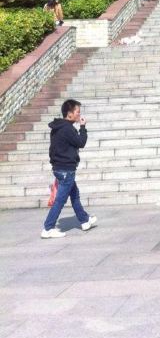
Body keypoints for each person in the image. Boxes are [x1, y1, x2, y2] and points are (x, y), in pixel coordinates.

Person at [41, 99, 96, 239]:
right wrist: (83, 127)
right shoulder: (67, 128)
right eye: (77, 112)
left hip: (61, 168)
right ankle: (48, 228)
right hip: (66, 170)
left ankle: (84, 220)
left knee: (75, 195)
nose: (79, 115)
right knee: (60, 200)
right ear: (70, 114)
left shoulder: (58, 127)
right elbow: (81, 142)